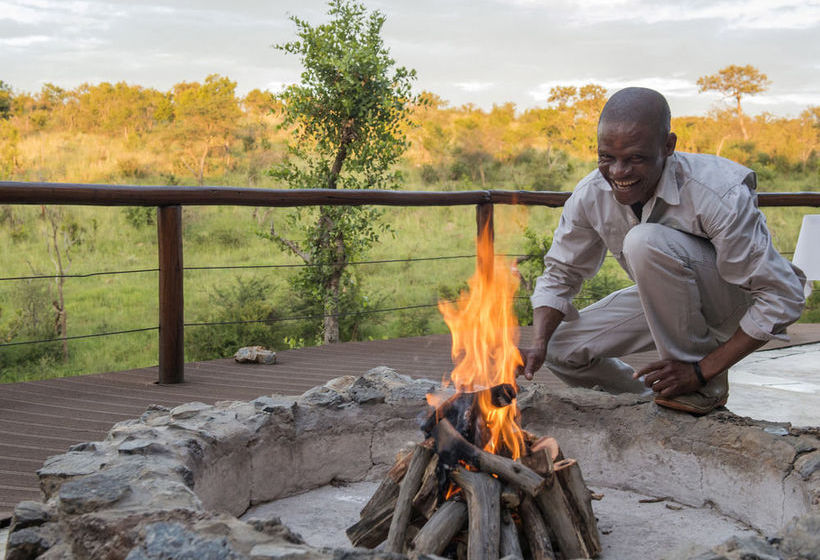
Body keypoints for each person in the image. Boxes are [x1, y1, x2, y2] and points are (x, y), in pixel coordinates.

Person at [518, 87, 806, 415]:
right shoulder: (591, 194)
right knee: (561, 348)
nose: (618, 172)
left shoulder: (717, 192)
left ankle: (701, 388)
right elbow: (561, 274)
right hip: (672, 303)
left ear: (668, 146)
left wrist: (701, 370)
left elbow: (783, 297)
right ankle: (652, 399)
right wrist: (538, 343)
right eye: (607, 157)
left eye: (635, 158)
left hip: (734, 306)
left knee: (643, 241)